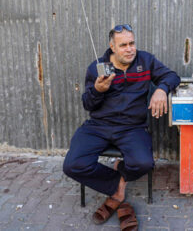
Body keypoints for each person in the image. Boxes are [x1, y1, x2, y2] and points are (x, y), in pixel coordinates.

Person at [63, 24, 180, 227]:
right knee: (73, 165)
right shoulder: (97, 67)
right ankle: (117, 189)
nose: (129, 49)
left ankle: (116, 192)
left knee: (143, 163)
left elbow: (172, 76)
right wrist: (98, 90)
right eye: (123, 45)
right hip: (98, 125)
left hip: (132, 127)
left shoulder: (146, 60)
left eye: (132, 43)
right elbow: (87, 104)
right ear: (113, 47)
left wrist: (161, 89)